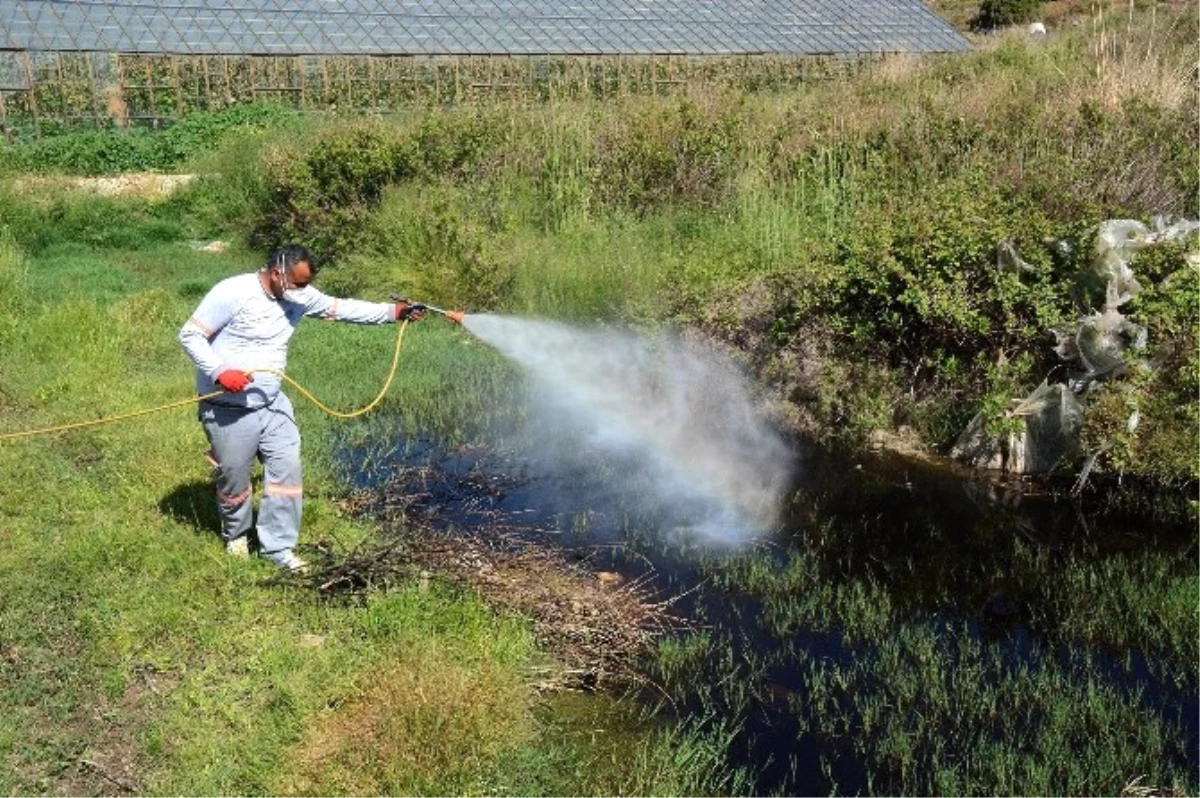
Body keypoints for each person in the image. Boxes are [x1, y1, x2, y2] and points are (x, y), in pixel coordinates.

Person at [178, 245, 423, 570]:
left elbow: (342, 308)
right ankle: (236, 536)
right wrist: (220, 371)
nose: (303, 292)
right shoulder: (233, 292)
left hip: (273, 403)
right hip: (226, 406)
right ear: (278, 272)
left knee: (286, 472)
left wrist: (394, 313)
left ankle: (277, 549)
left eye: (306, 285)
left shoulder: (300, 295)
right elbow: (190, 334)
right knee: (234, 479)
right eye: (297, 283)